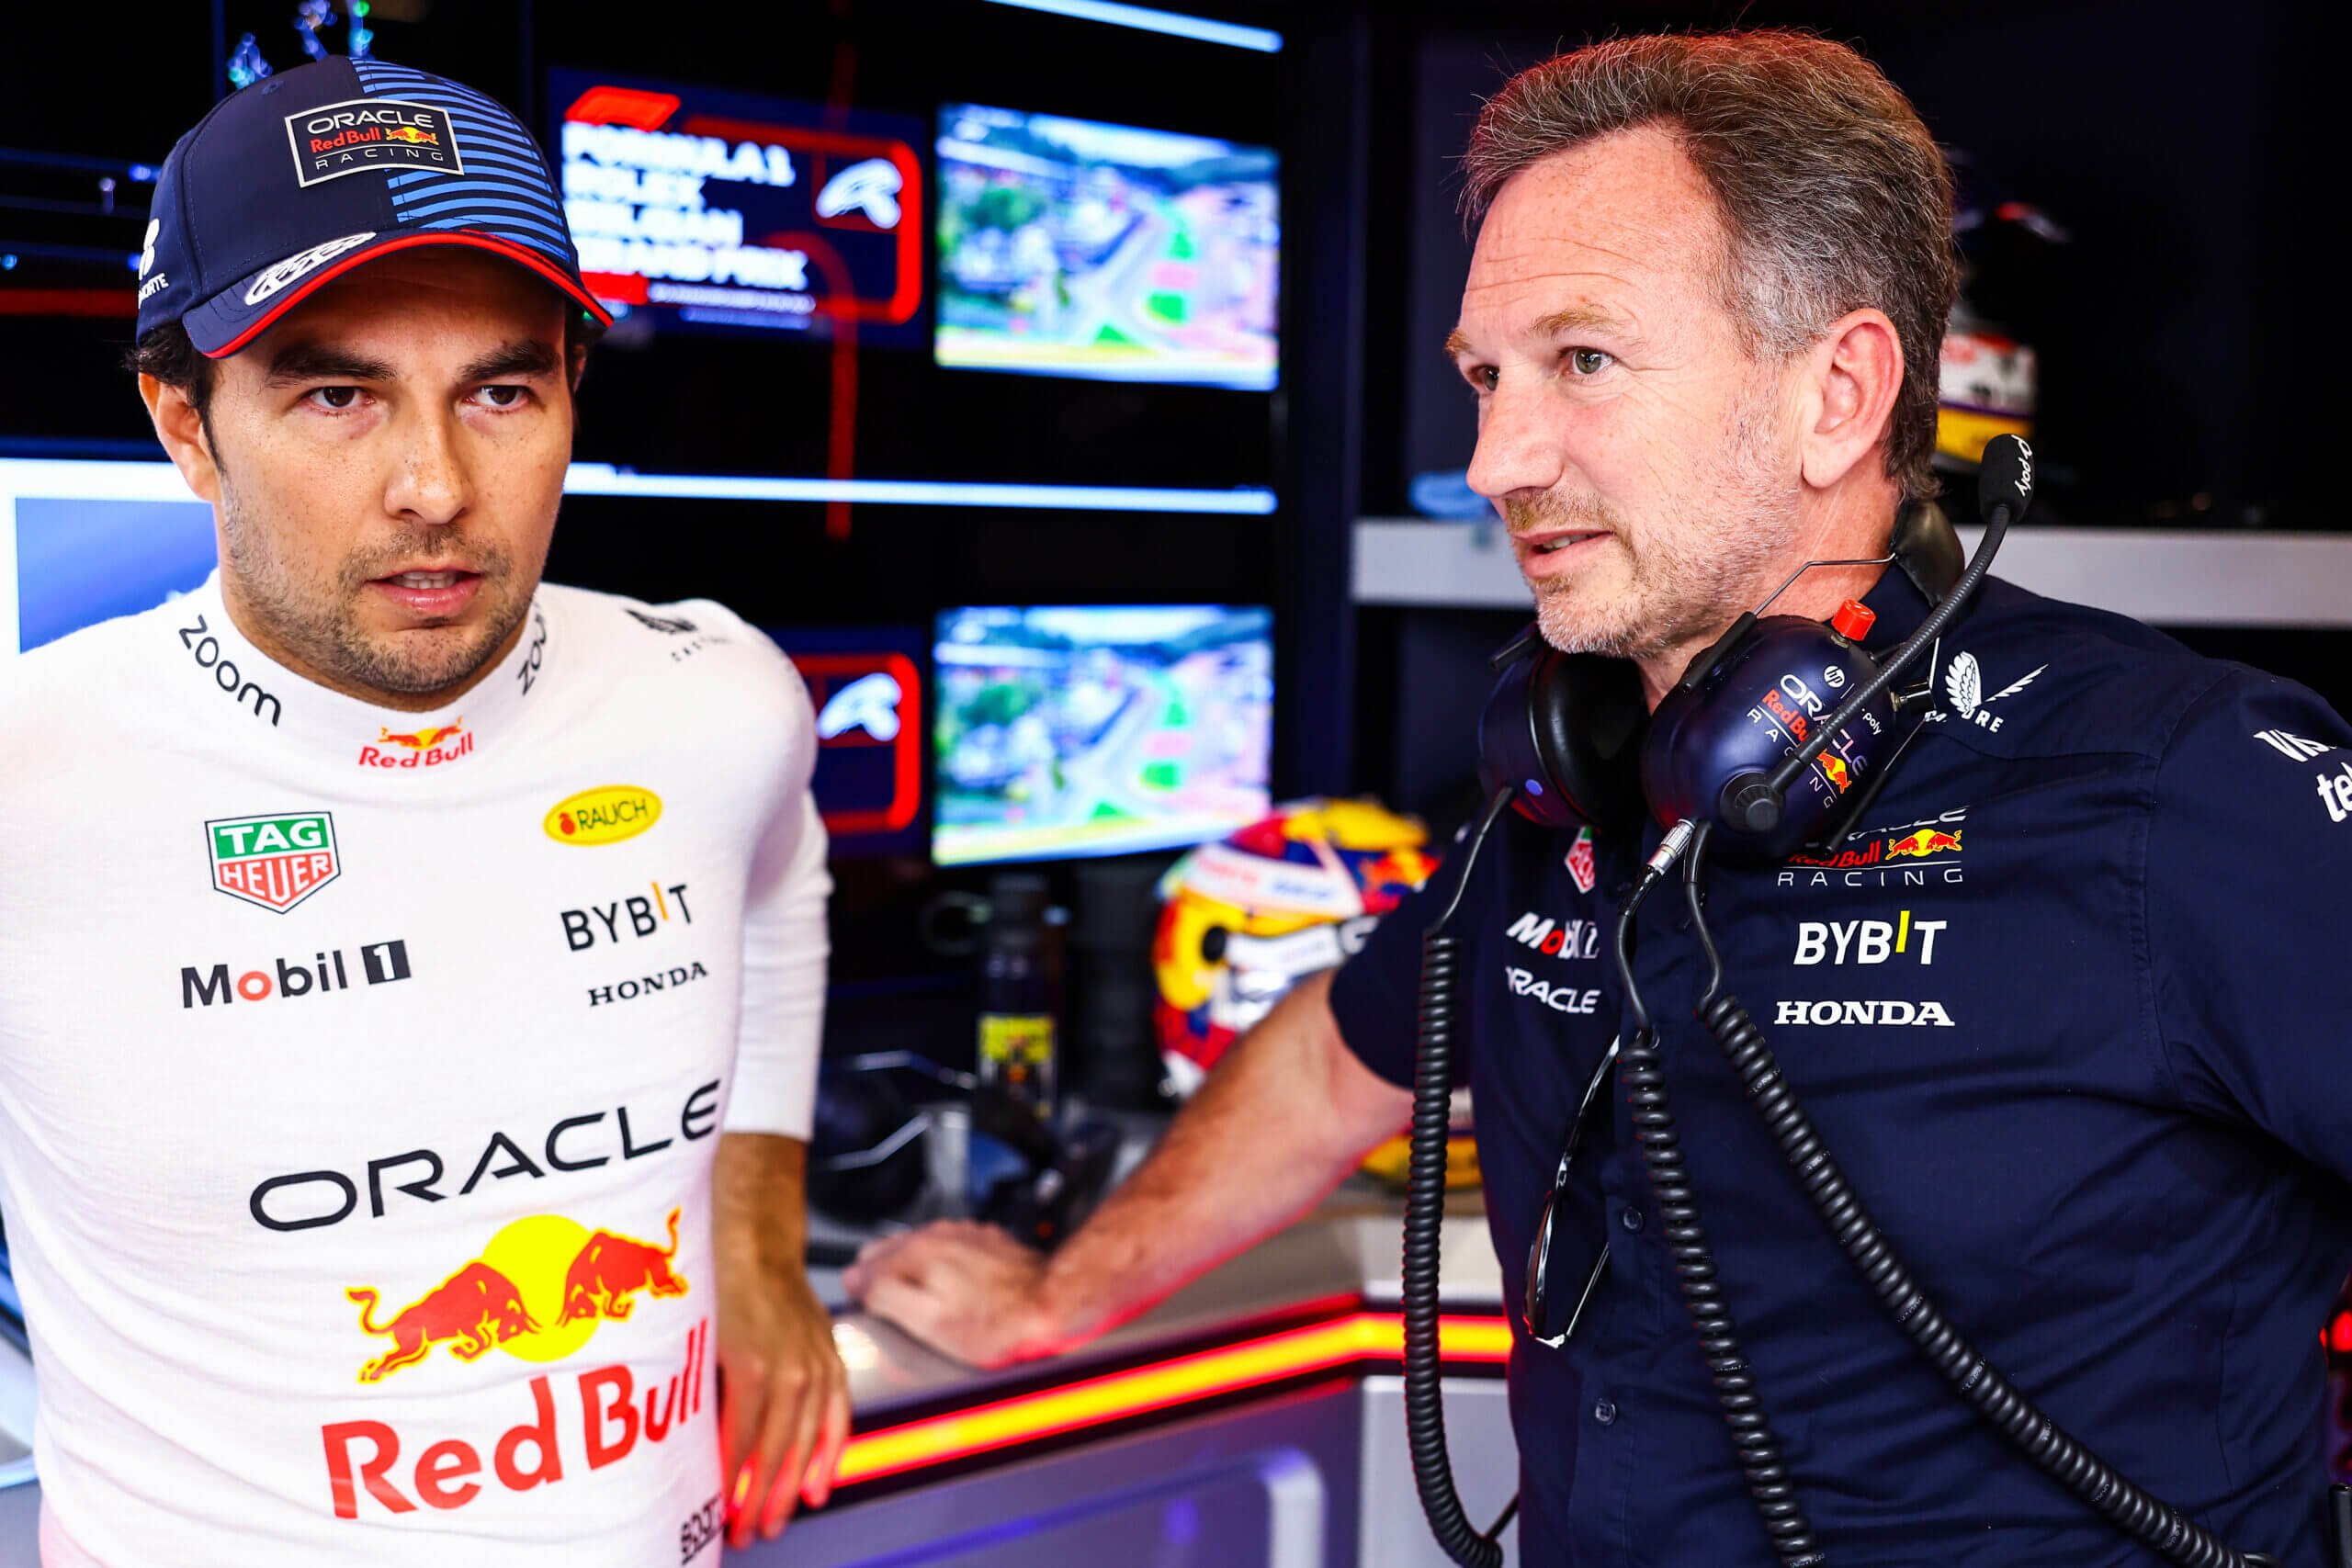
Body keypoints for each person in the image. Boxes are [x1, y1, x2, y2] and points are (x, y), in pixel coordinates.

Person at [850, 29, 2352, 1566]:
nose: (1499, 456)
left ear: (1838, 391)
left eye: (1583, 361)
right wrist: (1060, 1294)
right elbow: (1340, 1059)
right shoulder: (1575, 783)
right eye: (1485, 379)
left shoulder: (2188, 785)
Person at [0, 56, 845, 1564]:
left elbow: (781, 889)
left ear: (571, 393)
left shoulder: (716, 696)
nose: (434, 486)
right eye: (339, 393)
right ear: (182, 421)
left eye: (501, 390)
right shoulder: (31, 775)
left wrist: (758, 1237)